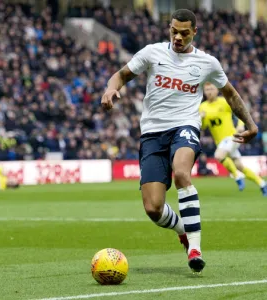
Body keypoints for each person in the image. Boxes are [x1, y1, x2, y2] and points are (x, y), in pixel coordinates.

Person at [101, 9, 258, 274]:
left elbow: (230, 94)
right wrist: (110, 88)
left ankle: (195, 249)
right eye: (174, 31)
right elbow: (121, 75)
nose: (178, 37)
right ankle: (184, 230)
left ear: (194, 32)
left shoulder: (207, 63)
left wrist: (251, 124)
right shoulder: (152, 53)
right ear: (169, 28)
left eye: (184, 33)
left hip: (185, 127)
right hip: (152, 134)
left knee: (182, 173)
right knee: (153, 208)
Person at [200, 82, 267, 195]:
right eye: (207, 90)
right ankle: (262, 183)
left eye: (212, 89)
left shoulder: (224, 101)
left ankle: (236, 176)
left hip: (232, 136)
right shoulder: (203, 107)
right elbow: (204, 126)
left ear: (217, 90)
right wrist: (201, 118)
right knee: (239, 166)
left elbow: (239, 111)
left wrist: (240, 126)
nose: (209, 92)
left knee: (218, 155)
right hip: (221, 142)